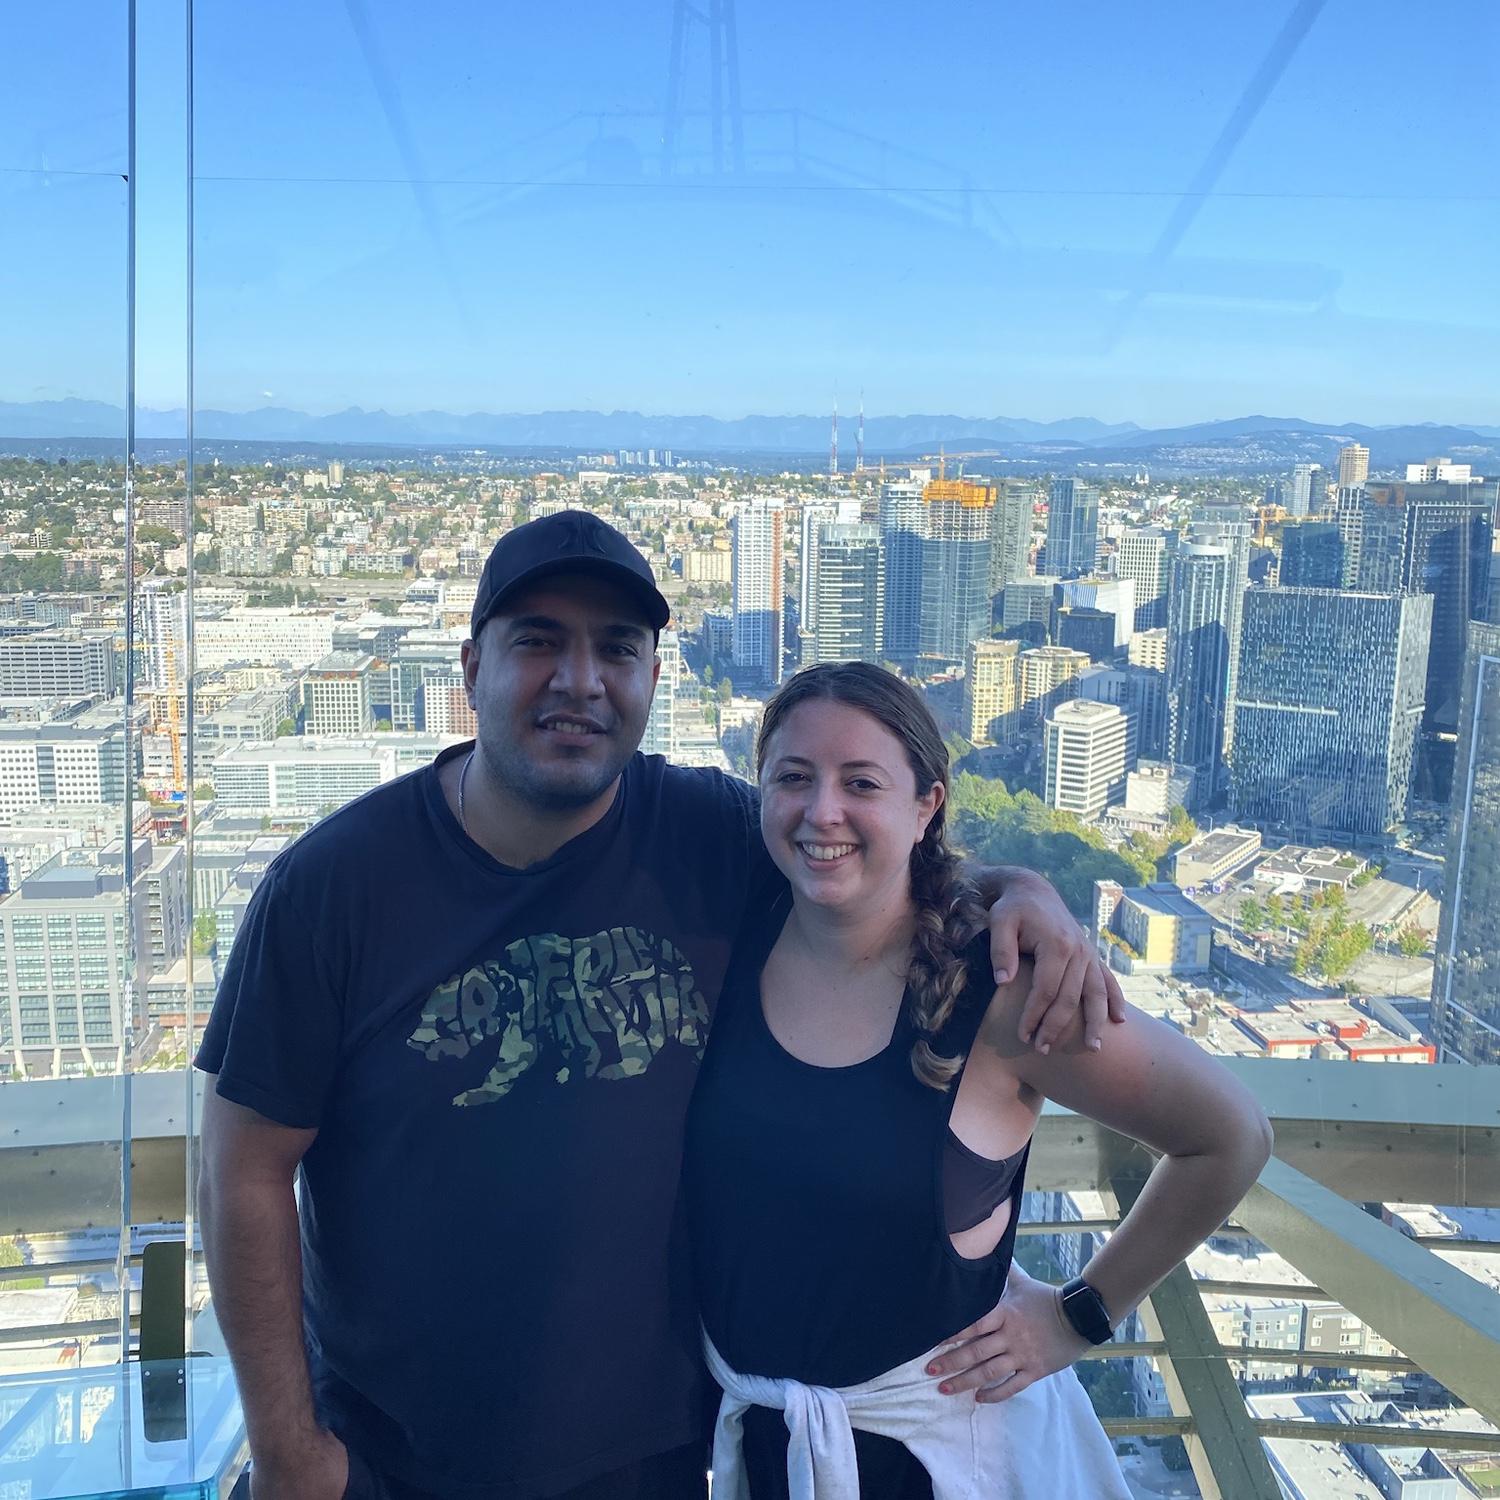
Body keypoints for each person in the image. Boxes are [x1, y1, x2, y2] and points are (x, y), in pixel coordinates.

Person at [196, 512, 1126, 1500]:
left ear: (650, 677)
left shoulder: (709, 834)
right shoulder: (334, 888)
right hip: (395, 1461)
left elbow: (862, 857)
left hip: (665, 1457)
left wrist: (1018, 891)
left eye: (616, 649)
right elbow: (242, 1167)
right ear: (471, 669)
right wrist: (289, 1454)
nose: (580, 680)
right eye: (539, 641)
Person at [686, 661, 1274, 1499]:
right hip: (767, 1448)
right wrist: (1020, 882)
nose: (822, 811)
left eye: (861, 782)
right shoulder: (741, 927)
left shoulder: (999, 989)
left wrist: (1079, 1315)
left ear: (926, 805)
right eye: (793, 778)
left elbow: (1230, 1135)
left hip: (939, 1465)